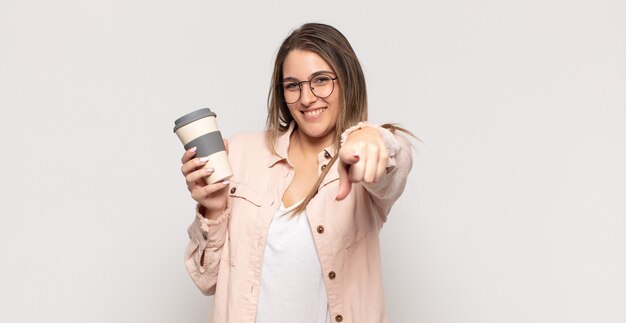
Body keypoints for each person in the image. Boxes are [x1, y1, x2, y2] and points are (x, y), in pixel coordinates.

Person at [180, 23, 413, 323]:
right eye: (293, 85)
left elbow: (396, 161)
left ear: (347, 82)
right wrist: (212, 210)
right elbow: (206, 280)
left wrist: (369, 136)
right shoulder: (240, 153)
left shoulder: (362, 160)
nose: (307, 98)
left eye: (321, 80)